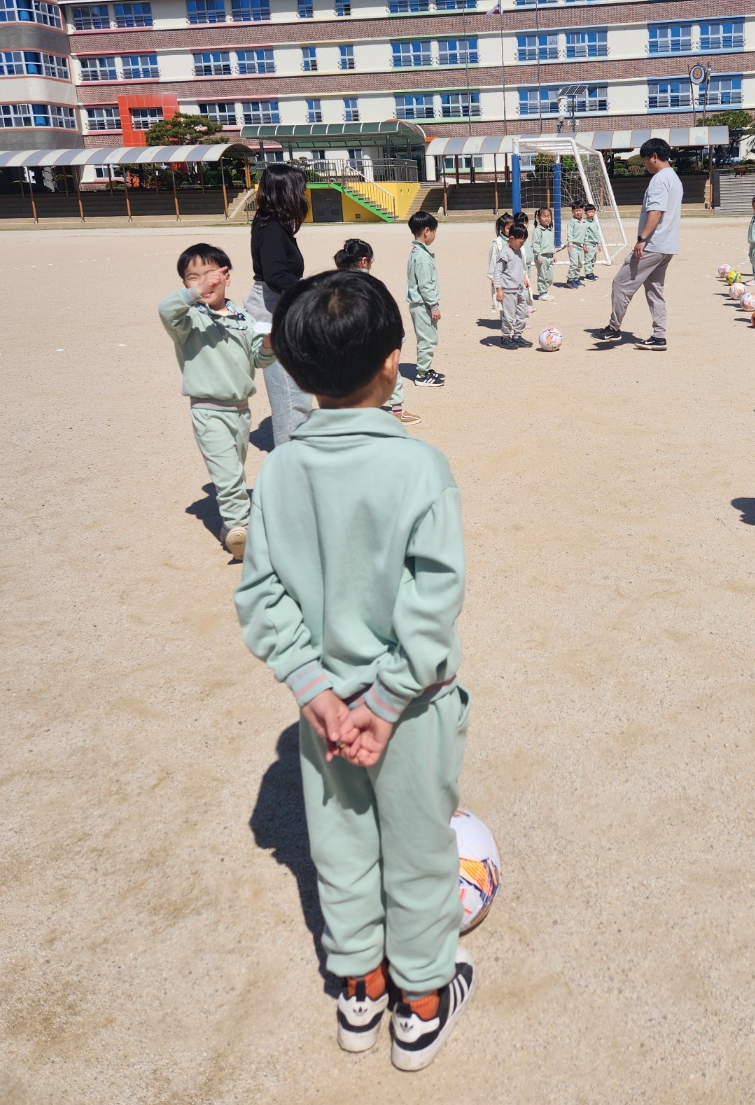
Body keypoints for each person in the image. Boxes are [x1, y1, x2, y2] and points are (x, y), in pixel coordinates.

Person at [234, 270, 475, 1071]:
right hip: (405, 712)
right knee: (418, 851)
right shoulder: (419, 467)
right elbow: (431, 601)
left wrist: (314, 690)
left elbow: (263, 595)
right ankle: (423, 1001)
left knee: (340, 850)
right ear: (393, 363)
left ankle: (360, 992)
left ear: (296, 376)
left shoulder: (280, 473)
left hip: (326, 713)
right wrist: (389, 696)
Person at [158, 243, 273, 560]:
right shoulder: (189, 320)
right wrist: (196, 295)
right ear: (185, 285)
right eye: (192, 278)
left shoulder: (242, 316)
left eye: (210, 275)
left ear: (226, 277)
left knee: (234, 469)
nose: (203, 283)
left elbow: (259, 360)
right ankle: (239, 528)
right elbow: (166, 310)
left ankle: (231, 529)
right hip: (208, 410)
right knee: (229, 475)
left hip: (241, 412)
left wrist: (269, 344)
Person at [245, 164, 312, 446]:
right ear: (285, 192)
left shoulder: (271, 222)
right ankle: (290, 454)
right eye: (299, 188)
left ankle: (298, 443)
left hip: (279, 305)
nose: (303, 194)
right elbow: (275, 276)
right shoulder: (271, 226)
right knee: (289, 391)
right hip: (271, 308)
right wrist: (313, 290)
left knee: (297, 386)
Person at [597, 137, 683, 351]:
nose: (644, 164)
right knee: (655, 289)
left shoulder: (659, 179)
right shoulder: (674, 178)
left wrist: (642, 239)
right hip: (667, 246)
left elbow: (656, 211)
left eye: (645, 160)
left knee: (621, 283)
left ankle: (614, 328)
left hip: (653, 244)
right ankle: (659, 336)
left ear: (654, 157)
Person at [334, 239, 421, 425]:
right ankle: (397, 410)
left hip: (350, 339)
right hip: (376, 338)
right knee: (390, 372)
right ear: (364, 261)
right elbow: (386, 311)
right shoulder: (372, 283)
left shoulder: (338, 282)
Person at [406, 211, 444, 387]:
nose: (435, 235)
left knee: (427, 336)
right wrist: (434, 305)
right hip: (423, 304)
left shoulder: (418, 252)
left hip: (420, 304)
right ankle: (422, 375)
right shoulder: (422, 257)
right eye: (435, 231)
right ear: (427, 231)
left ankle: (425, 368)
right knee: (427, 338)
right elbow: (425, 285)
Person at [493, 223, 529, 348]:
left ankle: (517, 336)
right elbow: (497, 272)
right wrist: (499, 289)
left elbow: (519, 266)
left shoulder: (518, 251)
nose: (521, 245)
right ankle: (505, 337)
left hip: (519, 289)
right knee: (508, 317)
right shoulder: (504, 252)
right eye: (520, 242)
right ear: (512, 238)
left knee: (523, 313)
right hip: (508, 291)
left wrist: (524, 277)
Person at [487, 213, 513, 311]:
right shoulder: (497, 243)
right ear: (502, 229)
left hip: (512, 276)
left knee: (513, 299)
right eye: (508, 228)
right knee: (503, 300)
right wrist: (493, 278)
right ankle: (505, 322)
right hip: (501, 277)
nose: (511, 230)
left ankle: (513, 321)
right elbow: (493, 260)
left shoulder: (515, 241)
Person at [512, 211, 537, 312]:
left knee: (527, 286)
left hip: (528, 265)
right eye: (521, 223)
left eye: (526, 222)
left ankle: (526, 304)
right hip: (521, 267)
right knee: (521, 287)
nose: (524, 225)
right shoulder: (516, 238)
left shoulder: (526, 236)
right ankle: (522, 306)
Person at [533, 206, 556, 300]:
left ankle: (545, 291)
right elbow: (535, 244)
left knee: (550, 276)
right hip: (541, 256)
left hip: (549, 257)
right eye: (544, 216)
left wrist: (553, 254)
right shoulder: (537, 231)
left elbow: (551, 244)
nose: (546, 218)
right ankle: (542, 293)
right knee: (542, 275)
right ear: (539, 218)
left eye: (548, 216)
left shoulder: (549, 230)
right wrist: (538, 255)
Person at [566, 202, 587, 288]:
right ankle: (570, 279)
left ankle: (576, 279)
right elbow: (569, 233)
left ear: (582, 210)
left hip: (580, 246)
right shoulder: (572, 222)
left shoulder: (584, 222)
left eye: (579, 210)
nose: (578, 212)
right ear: (572, 212)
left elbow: (585, 234)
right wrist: (570, 243)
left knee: (579, 263)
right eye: (576, 211)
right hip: (573, 245)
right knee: (574, 263)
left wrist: (585, 244)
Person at [582, 203, 601, 280]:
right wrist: (585, 244)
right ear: (585, 213)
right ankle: (587, 274)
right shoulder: (585, 223)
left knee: (593, 259)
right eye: (589, 212)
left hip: (594, 244)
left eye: (593, 212)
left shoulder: (595, 222)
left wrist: (599, 244)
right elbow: (584, 234)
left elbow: (597, 233)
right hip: (589, 244)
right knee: (588, 259)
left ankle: (591, 272)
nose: (591, 214)